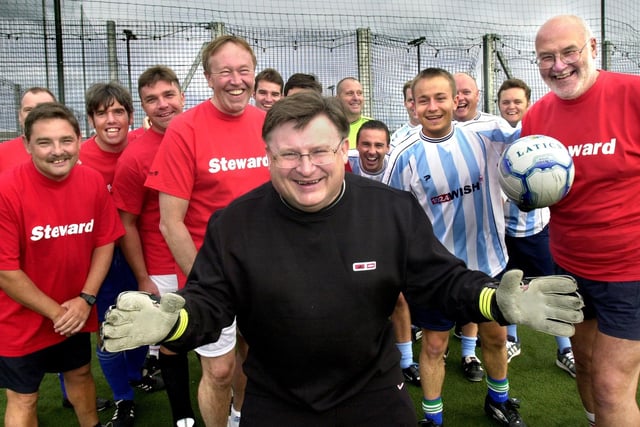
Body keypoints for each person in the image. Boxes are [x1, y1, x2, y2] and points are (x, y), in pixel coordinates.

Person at [101, 91, 583, 427]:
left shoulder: (390, 209)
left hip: (373, 394)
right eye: (288, 155)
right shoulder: (235, 224)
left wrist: (497, 303)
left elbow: (440, 282)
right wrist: (172, 324)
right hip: (276, 400)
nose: (305, 167)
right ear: (267, 155)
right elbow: (209, 306)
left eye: (318, 151)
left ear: (344, 148)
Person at [384, 68, 524, 427]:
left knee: (494, 337)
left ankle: (499, 400)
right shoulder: (403, 155)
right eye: (423, 100)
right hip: (438, 274)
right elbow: (391, 216)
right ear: (413, 105)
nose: (432, 107)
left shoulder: (485, 135)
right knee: (433, 347)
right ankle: (433, 418)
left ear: (455, 100)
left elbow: (526, 134)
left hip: (489, 263)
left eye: (440, 98)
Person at [144, 35, 271, 427]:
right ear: (208, 77)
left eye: (243, 70)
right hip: (211, 276)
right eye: (225, 72)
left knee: (254, 361)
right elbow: (170, 222)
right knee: (217, 371)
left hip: (266, 273)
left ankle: (239, 416)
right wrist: (209, 284)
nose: (236, 80)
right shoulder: (185, 129)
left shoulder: (271, 123)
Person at [522, 14, 640, 427]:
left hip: (630, 274)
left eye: (569, 52)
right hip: (569, 269)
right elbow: (532, 193)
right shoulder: (536, 119)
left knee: (611, 384)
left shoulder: (633, 94)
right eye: (545, 57)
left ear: (592, 47)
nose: (558, 65)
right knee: (586, 366)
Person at [0, 102, 124, 427]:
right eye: (45, 142)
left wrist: (85, 300)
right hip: (19, 317)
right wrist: (60, 314)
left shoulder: (93, 181)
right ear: (26, 144)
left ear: (80, 139)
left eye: (66, 140)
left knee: (80, 372)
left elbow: (104, 241)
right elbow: (6, 272)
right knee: (24, 396)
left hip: (74, 307)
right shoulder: (6, 191)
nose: (58, 151)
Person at [111, 65, 196, 427]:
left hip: (211, 260)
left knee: (221, 340)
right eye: (151, 99)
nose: (162, 105)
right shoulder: (134, 156)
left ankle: (233, 406)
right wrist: (143, 277)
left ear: (182, 96)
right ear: (143, 107)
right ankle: (183, 417)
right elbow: (126, 223)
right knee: (171, 341)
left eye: (168, 95)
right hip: (162, 268)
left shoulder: (200, 134)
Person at [82, 81, 162, 427]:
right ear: (91, 120)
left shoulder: (145, 147)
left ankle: (135, 374)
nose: (111, 120)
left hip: (139, 252)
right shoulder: (79, 157)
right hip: (99, 260)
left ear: (131, 116)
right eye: (102, 113)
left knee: (142, 322)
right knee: (109, 330)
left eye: (118, 111)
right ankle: (123, 400)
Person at [497, 78, 576, 376]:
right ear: (499, 105)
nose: (512, 106)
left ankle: (564, 348)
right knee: (508, 287)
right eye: (506, 102)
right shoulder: (492, 138)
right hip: (502, 230)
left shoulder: (541, 140)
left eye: (517, 101)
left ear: (527, 104)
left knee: (548, 288)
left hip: (536, 230)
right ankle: (511, 340)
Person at [347, 119, 421, 387]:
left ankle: (406, 361)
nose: (371, 150)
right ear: (357, 146)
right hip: (352, 243)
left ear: (388, 148)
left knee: (398, 299)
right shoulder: (345, 164)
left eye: (379, 145)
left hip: (387, 242)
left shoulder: (400, 167)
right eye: (366, 144)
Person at [0, 87, 56, 172]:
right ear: (20, 116)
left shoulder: (71, 152)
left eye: (44, 109)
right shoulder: (2, 153)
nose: (35, 114)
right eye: (28, 110)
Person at [336, 77, 372, 149]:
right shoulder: (327, 127)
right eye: (350, 93)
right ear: (337, 98)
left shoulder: (374, 126)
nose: (356, 98)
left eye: (359, 93)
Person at [390, 80, 421, 150]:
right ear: (405, 103)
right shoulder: (397, 137)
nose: (415, 104)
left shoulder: (438, 131)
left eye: (419, 99)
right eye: (410, 100)